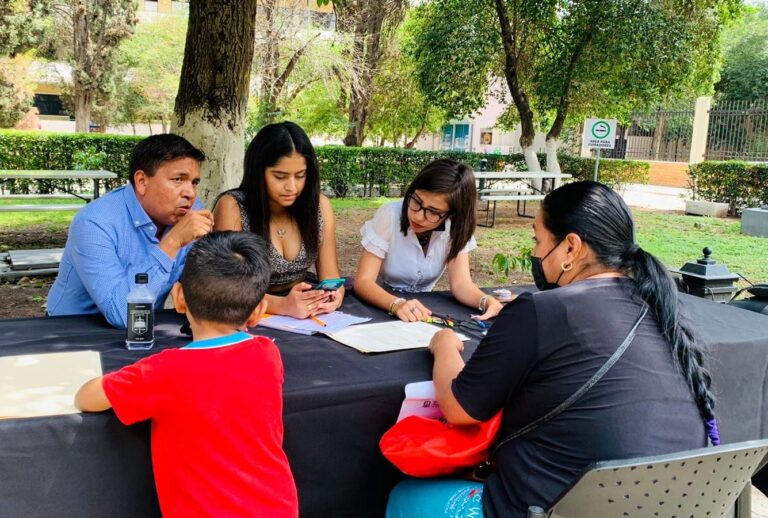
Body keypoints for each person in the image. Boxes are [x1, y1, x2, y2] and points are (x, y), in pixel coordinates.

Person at [386, 181, 720, 518]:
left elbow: (460, 408)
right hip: (670, 505)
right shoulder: (662, 307)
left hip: (554, 508)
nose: (535, 252)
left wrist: (444, 345)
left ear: (571, 247)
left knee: (407, 496)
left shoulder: (541, 310)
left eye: (538, 240)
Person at [75, 231, 298, 518]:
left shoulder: (163, 371)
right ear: (258, 312)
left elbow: (87, 398)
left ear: (179, 298)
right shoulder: (268, 353)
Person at [47, 134, 212, 328]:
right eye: (178, 179)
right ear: (142, 181)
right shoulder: (94, 222)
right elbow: (122, 314)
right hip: (73, 329)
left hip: (145, 330)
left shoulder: (189, 212)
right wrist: (173, 242)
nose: (190, 193)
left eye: (194, 182)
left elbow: (202, 289)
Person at [213, 121, 343, 319]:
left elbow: (330, 276)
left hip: (304, 310)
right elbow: (229, 287)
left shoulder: (319, 206)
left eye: (300, 176)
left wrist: (334, 295)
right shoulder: (232, 207)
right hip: (250, 311)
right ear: (258, 172)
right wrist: (283, 305)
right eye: (280, 177)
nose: (292, 187)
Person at [354, 159, 502, 322]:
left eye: (433, 212)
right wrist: (396, 304)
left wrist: (486, 301)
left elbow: (461, 284)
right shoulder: (390, 215)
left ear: (452, 214)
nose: (418, 216)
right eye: (416, 201)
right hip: (382, 306)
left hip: (425, 311)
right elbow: (363, 281)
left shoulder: (455, 227)